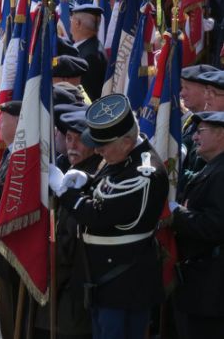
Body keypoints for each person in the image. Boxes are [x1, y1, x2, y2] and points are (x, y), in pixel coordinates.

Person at [49, 93, 168, 339]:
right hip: (105, 282)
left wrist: (66, 193)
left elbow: (98, 216)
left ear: (126, 141)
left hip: (123, 285)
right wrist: (88, 180)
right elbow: (109, 186)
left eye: (103, 145)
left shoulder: (143, 174)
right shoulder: (125, 156)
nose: (98, 150)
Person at [34, 108, 99, 339]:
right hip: (60, 288)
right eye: (69, 138)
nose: (73, 145)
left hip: (72, 290)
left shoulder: (89, 179)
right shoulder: (71, 171)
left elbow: (68, 239)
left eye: (80, 140)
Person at [170, 111, 224, 338]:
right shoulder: (213, 168)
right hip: (201, 284)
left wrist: (176, 212)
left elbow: (215, 225)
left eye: (200, 131)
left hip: (210, 286)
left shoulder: (221, 173)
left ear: (221, 135)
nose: (194, 137)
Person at [0, 101, 22, 339]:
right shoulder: (11, 152)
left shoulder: (21, 157)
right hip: (3, 249)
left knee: (13, 317)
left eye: (3, 119)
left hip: (14, 252)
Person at [178, 64, 219, 199]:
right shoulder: (191, 122)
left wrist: (174, 173)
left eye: (187, 88)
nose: (182, 93)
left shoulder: (217, 127)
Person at [70, 3, 108, 102]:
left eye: (71, 20)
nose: (70, 24)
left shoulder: (90, 56)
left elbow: (87, 97)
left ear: (77, 23)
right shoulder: (91, 47)